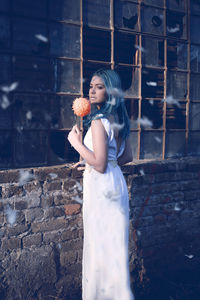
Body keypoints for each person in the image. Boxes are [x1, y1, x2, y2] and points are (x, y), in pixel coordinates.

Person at [68, 69, 134, 300]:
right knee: (113, 249)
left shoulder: (97, 121)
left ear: (111, 91)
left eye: (100, 87)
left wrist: (77, 143)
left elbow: (100, 164)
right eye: (91, 86)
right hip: (116, 186)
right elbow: (126, 158)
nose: (92, 90)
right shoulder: (118, 120)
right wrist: (88, 161)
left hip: (102, 188)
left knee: (99, 246)